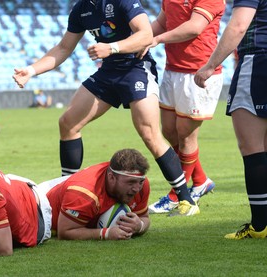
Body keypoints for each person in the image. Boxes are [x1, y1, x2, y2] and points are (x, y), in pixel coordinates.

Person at [13, 0, 199, 216]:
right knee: (68, 123)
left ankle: (186, 199)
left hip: (136, 69)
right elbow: (64, 47)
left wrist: (111, 47)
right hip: (109, 71)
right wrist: (31, 71)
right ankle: (66, 189)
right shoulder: (80, 8)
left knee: (150, 134)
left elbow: (146, 34)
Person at [143, 0, 225, 213]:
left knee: (186, 136)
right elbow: (161, 23)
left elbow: (194, 27)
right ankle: (200, 180)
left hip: (199, 72)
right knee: (169, 131)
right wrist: (138, 39)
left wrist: (158, 40)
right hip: (173, 69)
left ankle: (177, 196)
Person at [194, 0, 267, 239]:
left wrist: (209, 66)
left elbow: (238, 26)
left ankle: (260, 226)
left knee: (252, 146)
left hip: (258, 62)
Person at [37, 149, 150, 240]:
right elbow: (65, 232)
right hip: (40, 203)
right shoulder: (83, 193)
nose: (136, 188)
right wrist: (105, 234)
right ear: (111, 177)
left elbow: (144, 217)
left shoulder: (141, 184)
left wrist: (139, 226)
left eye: (140, 182)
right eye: (130, 182)